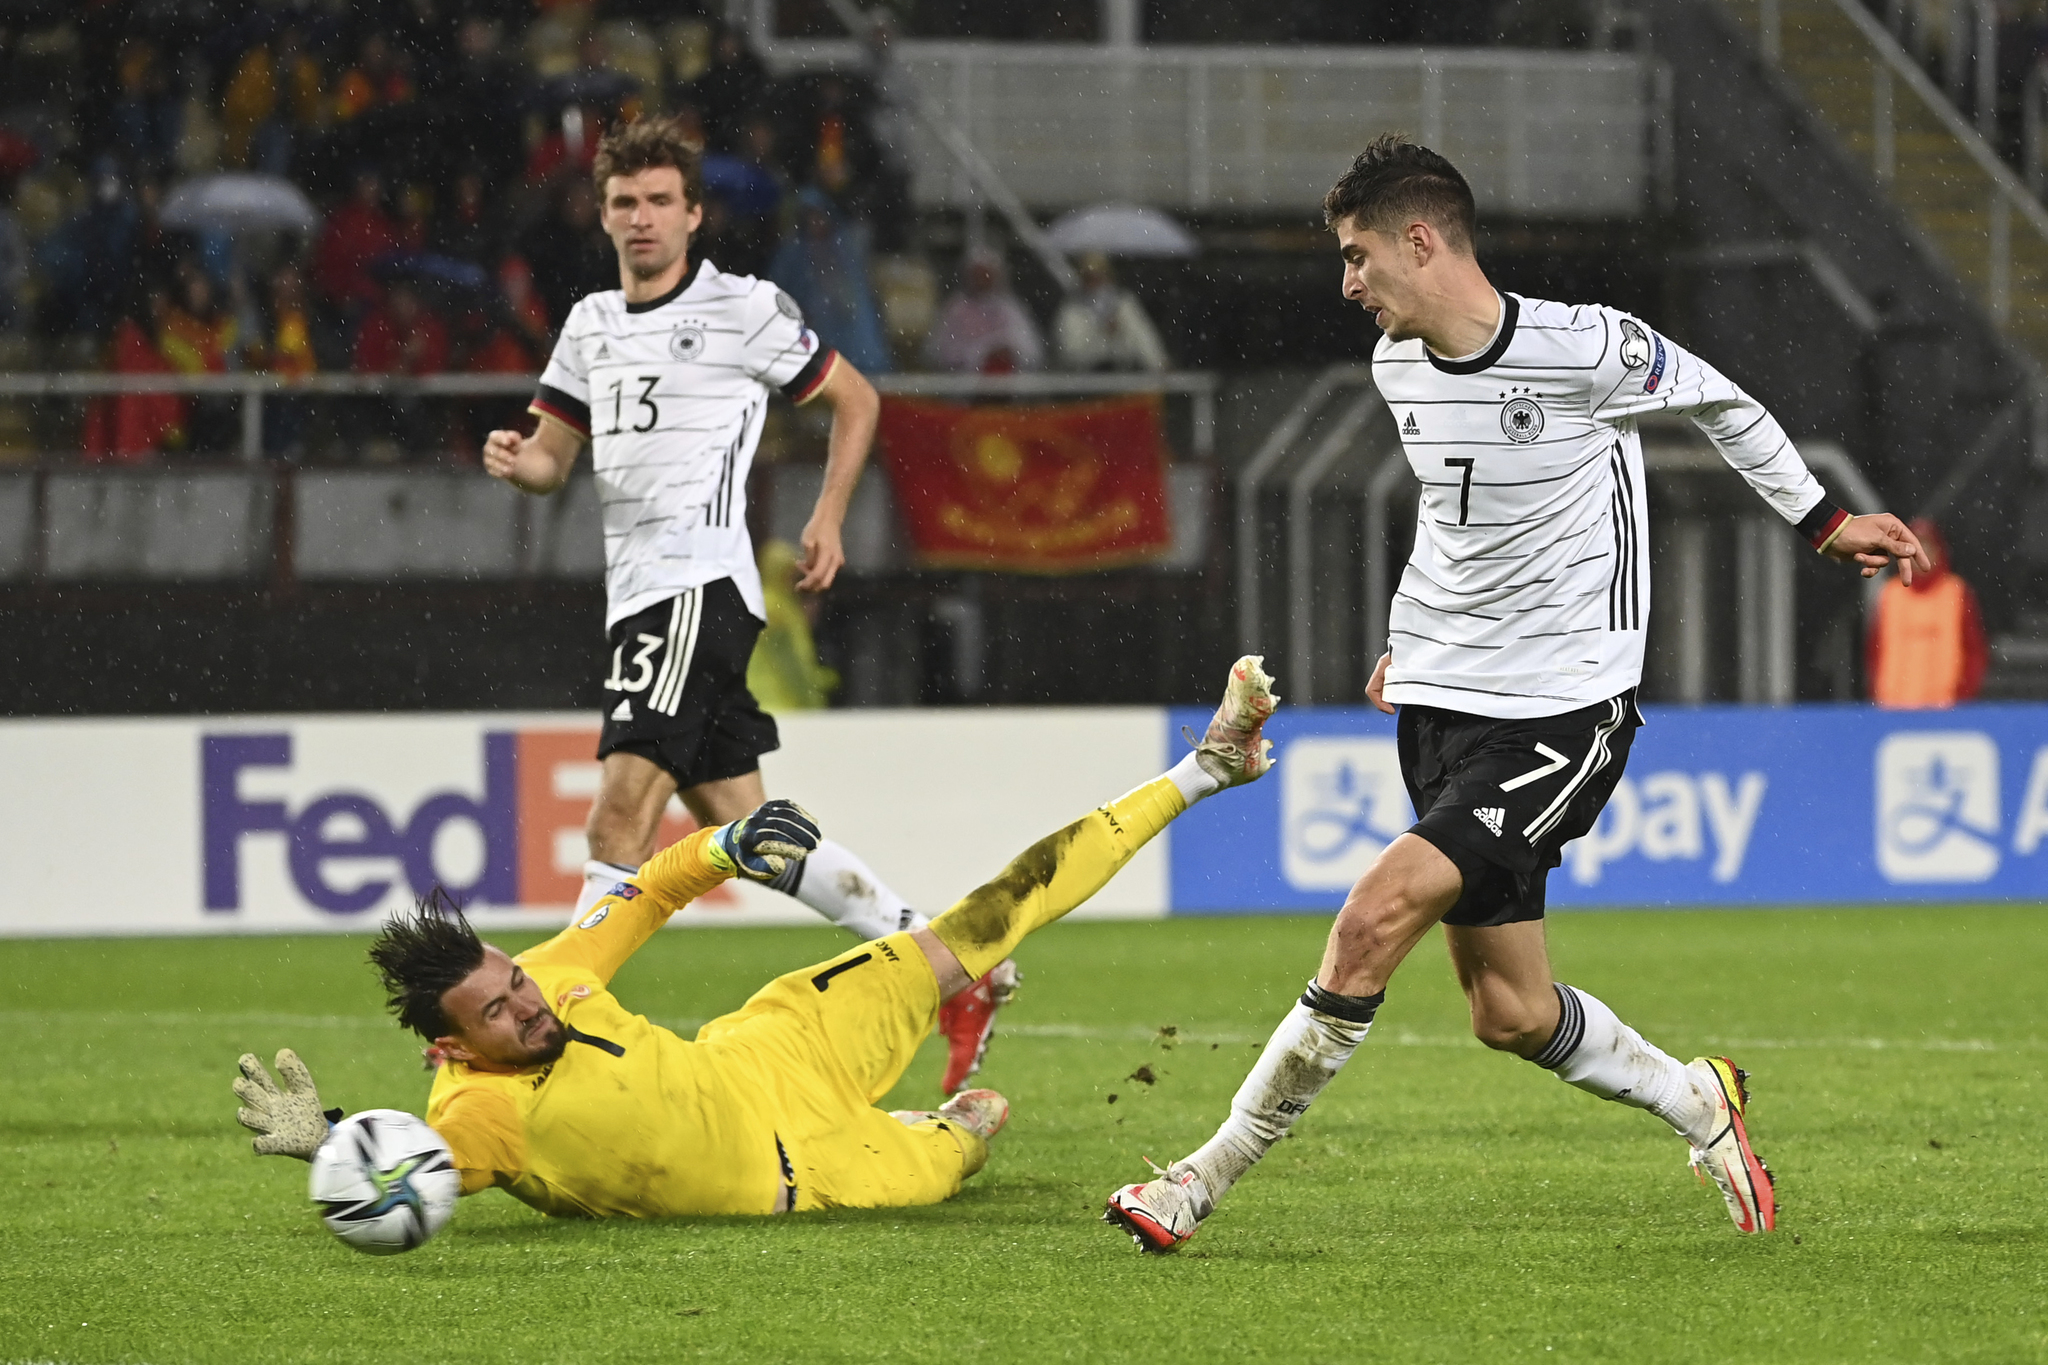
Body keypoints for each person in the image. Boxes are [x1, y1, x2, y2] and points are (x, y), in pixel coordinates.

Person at [1102, 135, 1931, 1253]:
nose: (1345, 284)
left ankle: (1195, 1181)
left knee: (1371, 916)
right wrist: (1408, 645)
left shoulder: (1582, 346)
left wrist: (1822, 523)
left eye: (1355, 256)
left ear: (1418, 240)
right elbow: (1447, 528)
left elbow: (1724, 404)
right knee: (1508, 1013)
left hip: (1561, 712)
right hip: (1445, 704)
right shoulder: (1398, 372)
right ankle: (1698, 1101)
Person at [230, 658, 1279, 1220]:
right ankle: (945, 1123)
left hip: (771, 1046)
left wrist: (726, 842)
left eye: (512, 981)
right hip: (803, 1171)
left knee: (974, 927)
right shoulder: (476, 1118)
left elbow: (640, 894)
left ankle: (1205, 768)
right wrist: (326, 1142)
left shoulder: (549, 973)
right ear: (449, 1048)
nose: (527, 1004)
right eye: (498, 1013)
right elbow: (405, 1173)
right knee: (964, 1142)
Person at [481, 116, 1010, 1093]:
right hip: (637, 598)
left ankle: (551, 1024)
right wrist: (518, 465)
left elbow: (856, 398)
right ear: (601, 217)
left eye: (656, 202)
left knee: (617, 817)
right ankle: (953, 965)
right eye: (621, 204)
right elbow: (553, 461)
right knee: (753, 835)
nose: (639, 219)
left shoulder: (743, 309)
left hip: (694, 589)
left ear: (692, 215)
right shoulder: (590, 324)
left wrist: (828, 517)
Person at [1867, 517, 1987, 707]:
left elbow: (1974, 651)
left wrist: (1963, 697)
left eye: (1926, 548)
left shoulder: (1956, 593)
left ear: (1939, 552)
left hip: (1945, 710)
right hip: (1894, 710)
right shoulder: (1890, 595)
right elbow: (1874, 652)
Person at [923, 248, 1045, 374]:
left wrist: (1007, 352)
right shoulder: (955, 309)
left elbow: (1031, 352)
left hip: (1008, 382)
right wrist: (978, 355)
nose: (981, 280)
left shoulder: (1010, 308)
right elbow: (935, 353)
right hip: (962, 384)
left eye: (986, 275)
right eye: (977, 275)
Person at [1055, 252, 1170, 373]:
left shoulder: (1123, 304)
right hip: (1085, 380)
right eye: (1089, 278)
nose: (1094, 284)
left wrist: (1158, 362)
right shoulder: (1071, 309)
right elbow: (1069, 354)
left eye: (1098, 277)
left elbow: (1143, 336)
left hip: (1126, 375)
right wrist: (1102, 336)